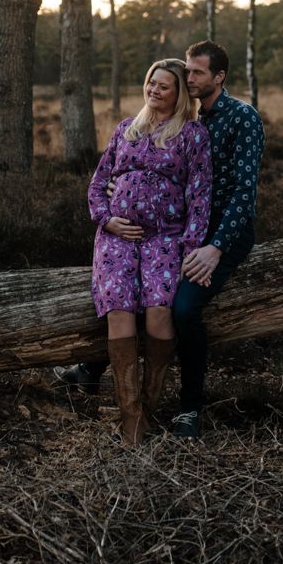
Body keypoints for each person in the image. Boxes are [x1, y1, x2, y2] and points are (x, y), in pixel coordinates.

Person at [56, 40, 264, 440]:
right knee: (122, 303)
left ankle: (186, 406)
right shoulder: (137, 128)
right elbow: (101, 181)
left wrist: (207, 247)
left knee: (176, 309)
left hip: (203, 236)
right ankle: (117, 398)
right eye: (185, 71)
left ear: (217, 78)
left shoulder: (232, 121)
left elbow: (235, 193)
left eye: (194, 73)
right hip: (138, 236)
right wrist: (114, 207)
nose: (188, 77)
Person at [87, 57, 212, 446]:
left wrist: (192, 249)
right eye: (151, 83)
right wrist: (106, 219)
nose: (154, 91)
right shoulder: (126, 130)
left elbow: (200, 197)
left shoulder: (192, 136)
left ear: (178, 95)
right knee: (120, 313)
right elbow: (97, 184)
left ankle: (150, 406)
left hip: (165, 238)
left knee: (160, 313)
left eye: (164, 86)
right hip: (117, 239)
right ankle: (132, 421)